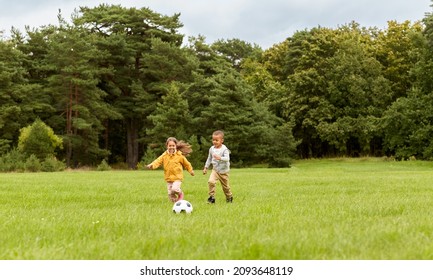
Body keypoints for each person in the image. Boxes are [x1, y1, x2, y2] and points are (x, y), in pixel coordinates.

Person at [147, 137, 195, 202]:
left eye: (173, 146)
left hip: (177, 177)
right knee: (170, 195)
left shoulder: (179, 155)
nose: (171, 147)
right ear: (167, 146)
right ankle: (176, 204)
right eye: (170, 146)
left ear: (176, 146)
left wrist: (191, 171)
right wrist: (152, 165)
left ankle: (180, 193)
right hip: (169, 178)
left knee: (174, 189)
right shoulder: (164, 155)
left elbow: (187, 164)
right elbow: (158, 161)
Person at [203, 130, 233, 203]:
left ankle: (229, 197)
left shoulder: (224, 149)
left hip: (224, 172)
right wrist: (206, 167)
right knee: (211, 182)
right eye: (213, 140)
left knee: (225, 187)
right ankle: (211, 197)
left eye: (217, 140)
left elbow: (227, 159)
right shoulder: (212, 149)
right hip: (215, 170)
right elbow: (209, 158)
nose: (214, 142)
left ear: (222, 140)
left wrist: (220, 158)